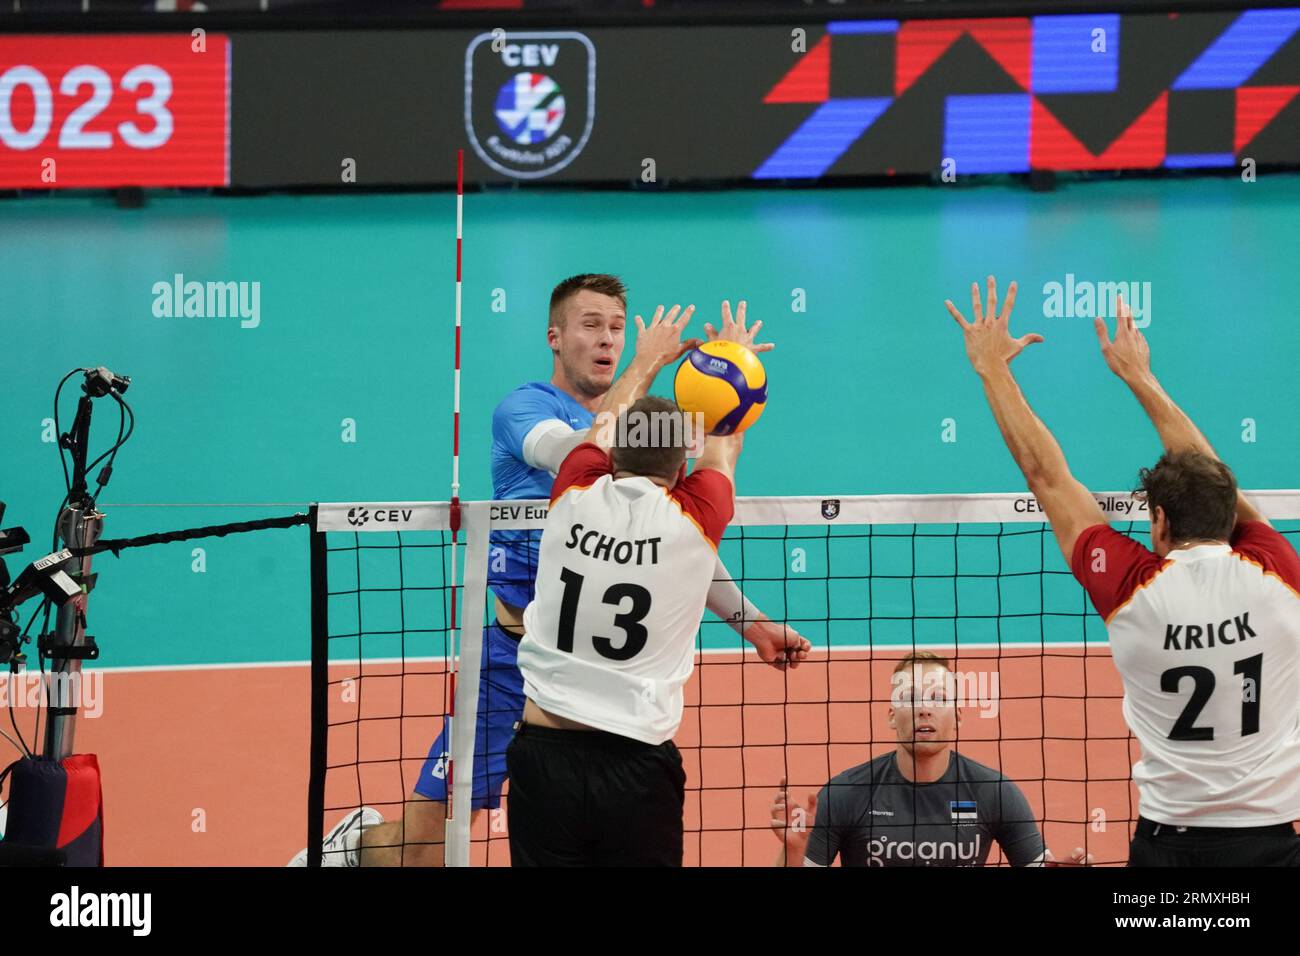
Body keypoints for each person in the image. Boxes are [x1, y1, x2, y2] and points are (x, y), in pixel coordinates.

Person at [290, 276, 808, 866]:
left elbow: (679, 546)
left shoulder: (642, 420)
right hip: (511, 662)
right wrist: (688, 391)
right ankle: (355, 844)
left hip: (604, 682)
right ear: (554, 337)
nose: (607, 339)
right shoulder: (526, 410)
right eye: (590, 325)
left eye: (617, 326)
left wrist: (723, 373)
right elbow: (576, 448)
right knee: (423, 851)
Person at [944, 278, 1300, 866]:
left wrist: (992, 369)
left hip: (1168, 850)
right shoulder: (1278, 573)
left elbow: (1047, 477)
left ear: (1157, 521)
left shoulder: (1131, 589)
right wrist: (1141, 376)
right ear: (1233, 510)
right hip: (1273, 845)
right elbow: (1212, 473)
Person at [506, 302, 770, 866]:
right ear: (681, 473)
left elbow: (602, 426)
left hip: (544, 751)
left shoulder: (574, 492)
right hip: (636, 766)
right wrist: (731, 360)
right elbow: (724, 442)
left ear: (606, 457)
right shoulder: (695, 517)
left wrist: (648, 359)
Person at [769, 652, 1087, 867]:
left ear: (958, 716)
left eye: (938, 698)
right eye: (911, 698)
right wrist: (793, 852)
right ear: (892, 717)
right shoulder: (845, 793)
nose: (924, 708)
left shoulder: (994, 792)